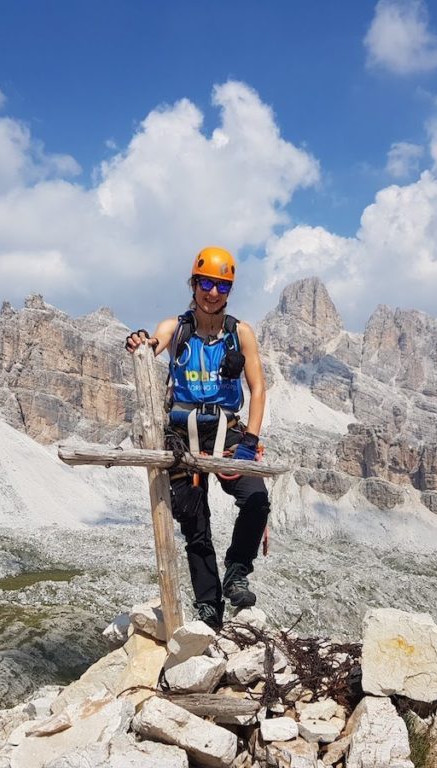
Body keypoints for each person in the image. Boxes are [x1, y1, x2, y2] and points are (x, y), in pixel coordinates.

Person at [125, 246, 270, 630]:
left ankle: (237, 572)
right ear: (193, 283)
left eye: (222, 286)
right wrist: (142, 343)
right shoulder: (177, 327)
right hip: (181, 434)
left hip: (228, 430)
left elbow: (258, 389)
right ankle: (209, 607)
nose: (212, 292)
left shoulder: (242, 333)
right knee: (194, 520)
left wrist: (249, 441)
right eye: (206, 283)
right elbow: (154, 344)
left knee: (255, 499)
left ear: (229, 291)